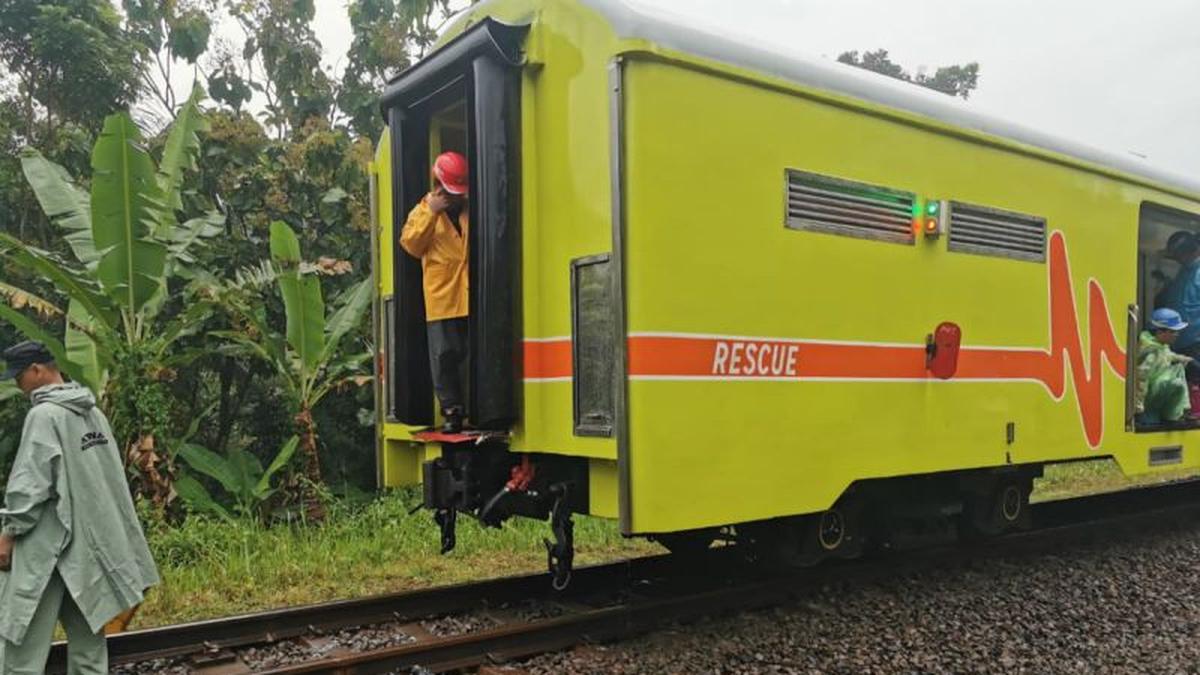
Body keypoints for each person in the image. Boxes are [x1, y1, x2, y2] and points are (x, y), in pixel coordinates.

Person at [0, 340, 159, 674]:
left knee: (21, 646)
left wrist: (9, 533)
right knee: (89, 647)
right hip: (88, 552)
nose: (18, 384)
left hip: (46, 550)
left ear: (36, 370)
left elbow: (30, 486)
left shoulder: (44, 415)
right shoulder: (93, 413)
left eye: (19, 376)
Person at [400, 151, 470, 432]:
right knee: (444, 356)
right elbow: (411, 244)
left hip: (470, 293)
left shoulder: (468, 209)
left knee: (469, 354)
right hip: (442, 295)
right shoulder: (422, 211)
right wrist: (432, 212)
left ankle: (475, 406)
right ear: (439, 185)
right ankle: (452, 411)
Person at [1135, 309, 1194, 426]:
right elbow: (1141, 380)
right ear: (1160, 332)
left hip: (1154, 388)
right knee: (1176, 383)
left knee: (1179, 366)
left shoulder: (1159, 345)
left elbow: (1168, 355)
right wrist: (1138, 407)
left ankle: (1179, 411)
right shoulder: (1150, 353)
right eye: (1173, 331)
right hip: (1148, 397)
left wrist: (1184, 359)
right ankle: (1172, 415)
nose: (1177, 334)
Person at [1159, 231, 1200, 357]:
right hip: (1178, 341)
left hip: (1195, 343)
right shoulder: (1184, 270)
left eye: (1179, 255)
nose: (1178, 260)